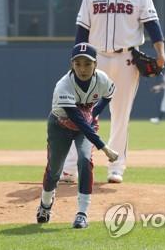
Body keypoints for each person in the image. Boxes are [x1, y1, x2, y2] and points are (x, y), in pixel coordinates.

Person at [60, 0, 165, 184]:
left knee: (121, 114)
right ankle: (70, 169)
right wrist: (75, 59)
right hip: (94, 60)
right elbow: (82, 29)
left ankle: (116, 167)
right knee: (82, 112)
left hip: (127, 58)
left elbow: (152, 24)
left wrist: (160, 51)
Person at [36, 43, 119, 229]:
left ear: (95, 64)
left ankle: (82, 213)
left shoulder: (102, 80)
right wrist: (103, 147)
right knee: (55, 170)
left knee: (84, 161)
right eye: (78, 63)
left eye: (87, 64)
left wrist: (95, 113)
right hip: (60, 126)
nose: (82, 68)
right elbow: (77, 119)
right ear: (72, 64)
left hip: (83, 128)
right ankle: (45, 204)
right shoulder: (64, 85)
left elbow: (109, 94)